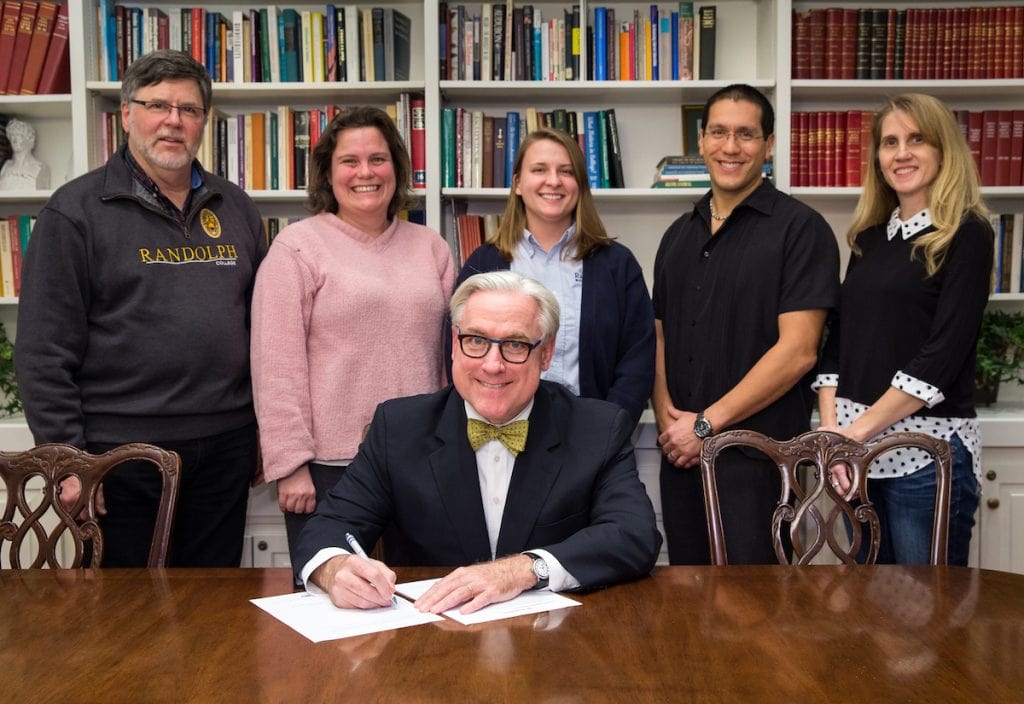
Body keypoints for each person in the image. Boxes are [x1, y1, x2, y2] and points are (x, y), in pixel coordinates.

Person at [14, 50, 267, 567]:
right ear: (126, 114)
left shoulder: (236, 207)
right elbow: (43, 349)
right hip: (117, 457)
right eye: (157, 105)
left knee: (213, 615)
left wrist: (265, 437)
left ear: (203, 122)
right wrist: (68, 459)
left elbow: (264, 331)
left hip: (225, 450)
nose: (173, 121)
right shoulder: (74, 212)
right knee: (122, 623)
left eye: (189, 109)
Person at [296, 271, 661, 614]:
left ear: (546, 353)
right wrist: (334, 568)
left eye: (515, 345)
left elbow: (634, 534)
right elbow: (329, 527)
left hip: (555, 646)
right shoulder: (399, 427)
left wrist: (525, 569)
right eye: (476, 341)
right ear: (454, 345)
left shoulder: (597, 427)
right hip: (429, 640)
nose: (492, 364)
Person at [250, 106, 455, 567]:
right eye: (350, 161)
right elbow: (274, 364)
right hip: (328, 470)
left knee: (423, 596)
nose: (366, 172)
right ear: (328, 171)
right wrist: (290, 465)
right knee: (333, 605)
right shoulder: (297, 248)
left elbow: (449, 359)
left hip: (423, 460)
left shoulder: (431, 247)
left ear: (397, 168)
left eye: (378, 159)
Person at [652, 84, 840, 565]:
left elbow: (799, 350)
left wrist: (705, 424)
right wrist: (670, 417)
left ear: (769, 144)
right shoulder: (678, 234)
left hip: (761, 464)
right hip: (683, 459)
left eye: (745, 134)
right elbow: (658, 333)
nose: (730, 147)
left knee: (759, 617)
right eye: (719, 132)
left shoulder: (801, 230)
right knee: (688, 602)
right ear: (701, 140)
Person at [816, 94, 992, 565]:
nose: (902, 153)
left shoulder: (968, 232)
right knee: (873, 617)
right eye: (890, 142)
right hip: (856, 456)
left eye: (917, 139)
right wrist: (833, 433)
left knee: (923, 622)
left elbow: (942, 355)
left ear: (943, 149)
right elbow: (839, 344)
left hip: (925, 457)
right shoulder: (870, 237)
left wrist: (855, 436)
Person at [451, 127, 654, 429]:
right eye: (539, 169)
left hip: (594, 436)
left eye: (566, 171)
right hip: (502, 434)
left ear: (580, 185)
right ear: (518, 183)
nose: (554, 181)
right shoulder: (484, 263)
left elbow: (638, 360)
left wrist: (608, 431)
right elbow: (459, 350)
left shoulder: (617, 264)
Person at [0, 118, 50, 190]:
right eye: (12, 136)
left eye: (19, 135)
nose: (14, 140)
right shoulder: (6, 166)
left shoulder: (41, 167)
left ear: (29, 139)